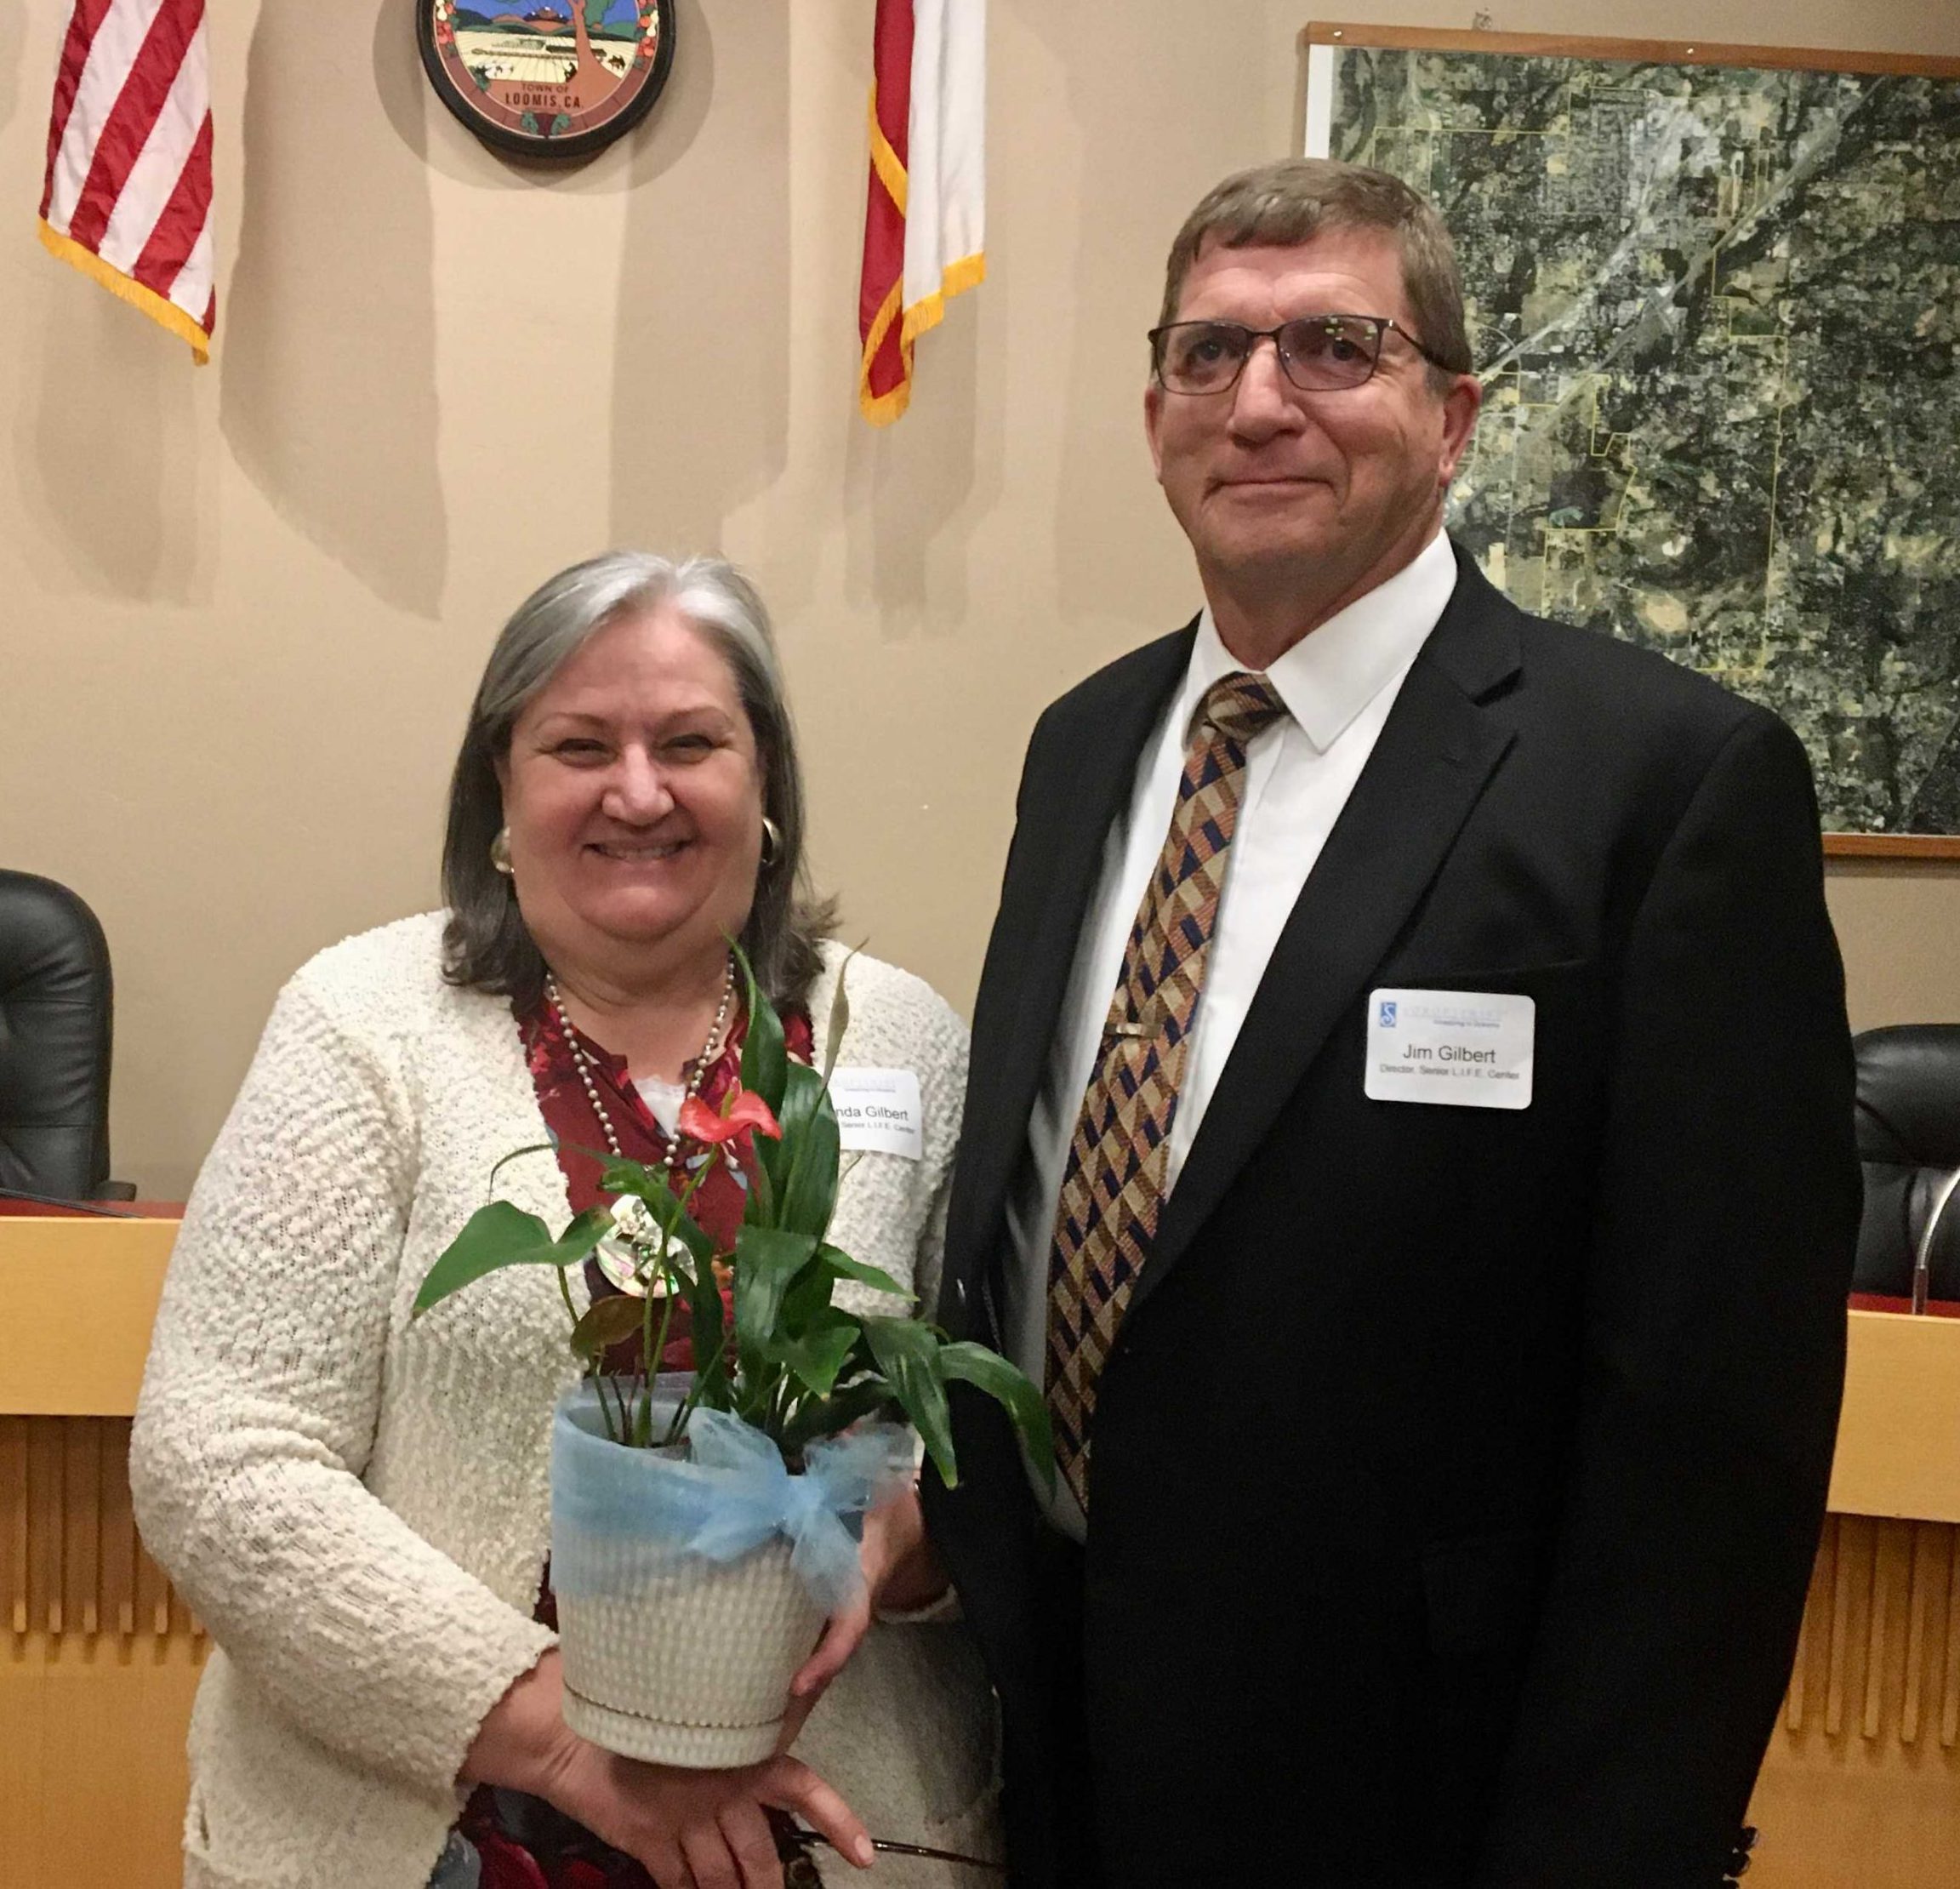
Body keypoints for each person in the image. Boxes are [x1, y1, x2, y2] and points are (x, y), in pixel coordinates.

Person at [913, 159, 1860, 1886]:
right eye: (1209, 353)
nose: (1260, 402)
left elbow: (1714, 1436)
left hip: (1422, 1789)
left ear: (1454, 419)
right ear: (1154, 417)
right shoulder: (1084, 745)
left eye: (1335, 348)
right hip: (1048, 1740)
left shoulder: (1660, 784)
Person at [131, 552, 996, 1889]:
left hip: (831, 1835)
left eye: (690, 744)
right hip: (437, 1835)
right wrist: (564, 1745)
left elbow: (984, 1441)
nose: (637, 792)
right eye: (580, 746)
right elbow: (220, 1463)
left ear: (766, 782)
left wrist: (913, 1539)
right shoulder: (362, 1027)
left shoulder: (898, 1039)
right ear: (501, 788)